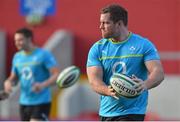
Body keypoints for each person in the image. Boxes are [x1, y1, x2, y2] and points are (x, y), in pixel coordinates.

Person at [86, 4, 164, 121]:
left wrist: (144, 85)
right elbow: (94, 80)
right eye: (101, 22)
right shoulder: (97, 48)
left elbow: (158, 72)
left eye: (106, 23)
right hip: (106, 112)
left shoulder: (143, 45)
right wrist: (107, 90)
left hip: (133, 112)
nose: (100, 27)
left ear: (119, 24)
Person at [3, 27, 59, 121]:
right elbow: (13, 77)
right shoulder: (17, 57)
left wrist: (42, 85)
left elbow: (56, 74)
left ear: (29, 39)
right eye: (15, 40)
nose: (17, 43)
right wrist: (8, 83)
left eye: (20, 40)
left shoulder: (43, 54)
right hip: (24, 102)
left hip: (41, 101)